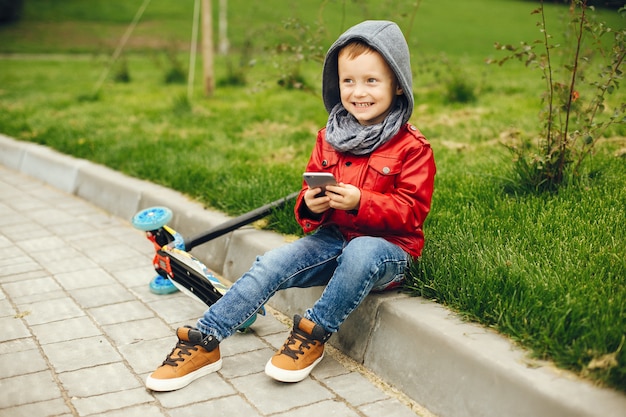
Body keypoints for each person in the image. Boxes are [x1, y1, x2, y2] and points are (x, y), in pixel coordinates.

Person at [146, 20, 436, 392]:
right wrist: (313, 204)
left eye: (371, 81)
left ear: (398, 84)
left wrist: (361, 201)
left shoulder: (413, 148)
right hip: (334, 238)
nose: (358, 92)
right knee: (271, 263)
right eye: (348, 81)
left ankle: (311, 334)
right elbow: (307, 204)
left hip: (389, 251)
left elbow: (410, 212)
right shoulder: (330, 137)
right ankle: (204, 339)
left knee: (362, 251)